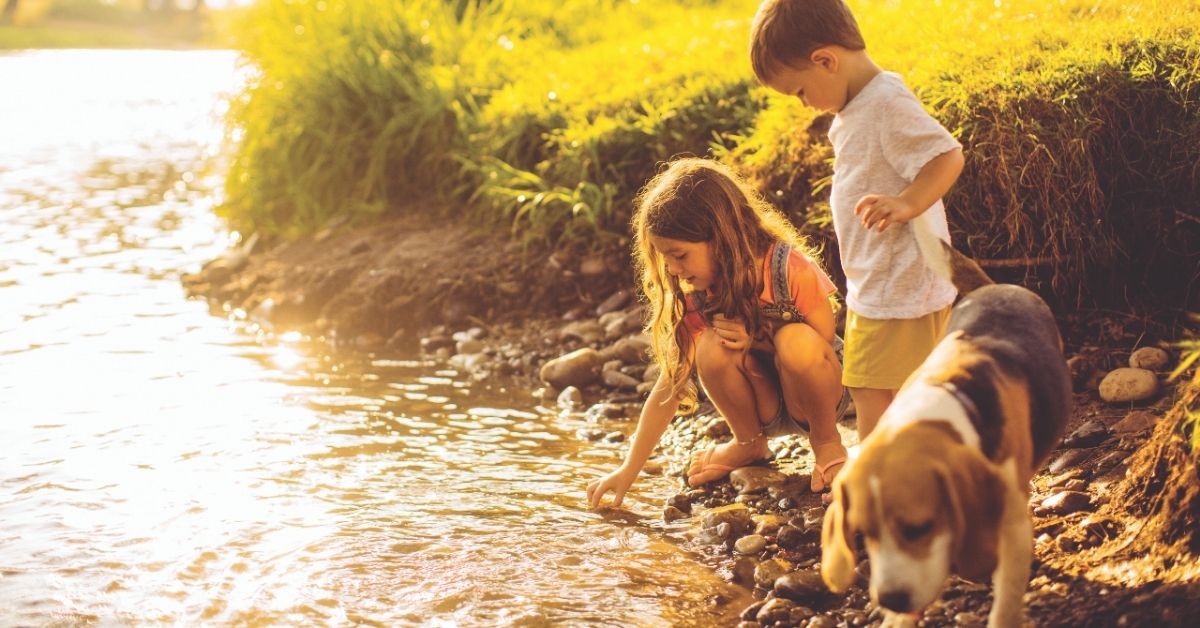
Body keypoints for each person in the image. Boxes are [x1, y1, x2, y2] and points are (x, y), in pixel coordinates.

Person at [748, 0, 966, 440]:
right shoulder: (858, 107)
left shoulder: (886, 101)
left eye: (800, 93)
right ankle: (894, 471)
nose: (805, 105)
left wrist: (908, 202)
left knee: (882, 388)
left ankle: (887, 479)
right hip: (877, 282)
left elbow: (947, 155)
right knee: (875, 388)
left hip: (903, 283)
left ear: (825, 61)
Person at [586, 158, 850, 510]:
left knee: (794, 340)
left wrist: (759, 337)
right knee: (710, 345)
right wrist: (628, 469)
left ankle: (827, 442)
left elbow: (821, 347)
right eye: (666, 259)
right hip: (765, 403)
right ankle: (750, 442)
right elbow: (671, 384)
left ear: (722, 238)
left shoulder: (788, 269)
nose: (673, 269)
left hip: (817, 398)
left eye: (680, 255)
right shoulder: (698, 294)